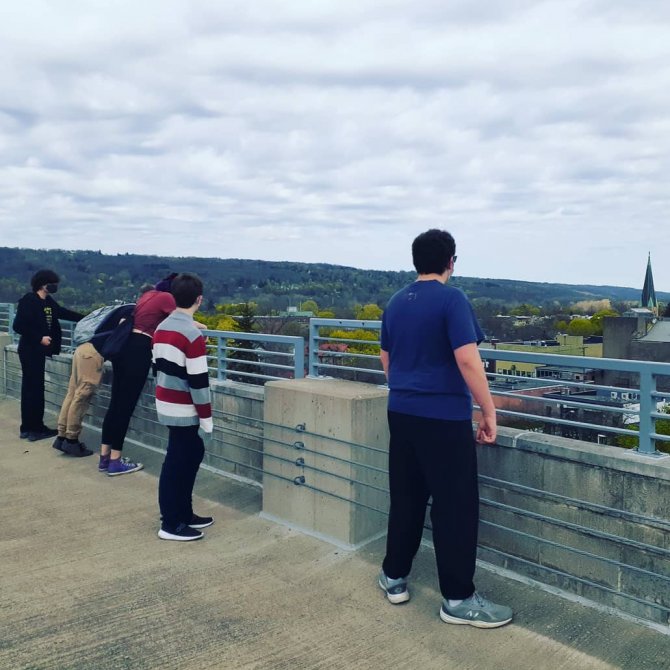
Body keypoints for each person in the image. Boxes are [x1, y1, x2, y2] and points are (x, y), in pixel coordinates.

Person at [377, 229, 512, 629]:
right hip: (443, 419)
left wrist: (407, 389)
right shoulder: (453, 300)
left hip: (401, 411)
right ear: (451, 261)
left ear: (416, 261)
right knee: (455, 507)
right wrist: (488, 411)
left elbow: (387, 359)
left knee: (406, 497)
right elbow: (468, 361)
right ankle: (457, 598)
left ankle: (394, 576)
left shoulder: (397, 301)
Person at [98, 274, 179, 476]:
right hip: (139, 349)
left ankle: (105, 457)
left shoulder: (147, 295)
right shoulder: (166, 297)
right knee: (125, 406)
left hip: (125, 348)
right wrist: (201, 326)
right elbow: (181, 320)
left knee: (115, 404)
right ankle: (116, 462)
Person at [152, 273, 213, 541]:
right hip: (183, 408)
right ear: (199, 299)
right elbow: (199, 383)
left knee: (188, 454)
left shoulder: (162, 327)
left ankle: (184, 514)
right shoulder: (192, 334)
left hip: (166, 401)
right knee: (177, 462)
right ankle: (171, 523)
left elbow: (160, 366)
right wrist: (206, 419)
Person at [53, 303, 135, 458]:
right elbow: (122, 331)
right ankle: (71, 440)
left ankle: (61, 437)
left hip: (83, 350)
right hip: (93, 354)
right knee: (81, 397)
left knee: (72, 394)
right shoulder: (132, 312)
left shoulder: (122, 308)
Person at [12, 270, 83, 442]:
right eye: (53, 283)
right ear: (44, 284)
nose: (55, 286)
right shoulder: (29, 300)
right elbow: (18, 326)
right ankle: (34, 428)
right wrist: (39, 338)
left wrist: (89, 319)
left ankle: (29, 428)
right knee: (33, 389)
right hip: (30, 350)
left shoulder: (48, 301)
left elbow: (64, 313)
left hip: (38, 351)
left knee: (32, 389)